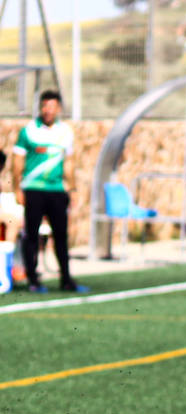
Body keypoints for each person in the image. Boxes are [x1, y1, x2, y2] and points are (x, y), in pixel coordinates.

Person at [12, 89, 84, 293]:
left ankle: (66, 279)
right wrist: (18, 188)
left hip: (57, 191)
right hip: (33, 190)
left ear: (58, 108)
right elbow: (17, 162)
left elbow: (69, 163)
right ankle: (33, 280)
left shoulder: (65, 132)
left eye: (51, 106)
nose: (47, 110)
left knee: (61, 235)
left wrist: (72, 188)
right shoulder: (29, 131)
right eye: (44, 106)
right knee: (32, 235)